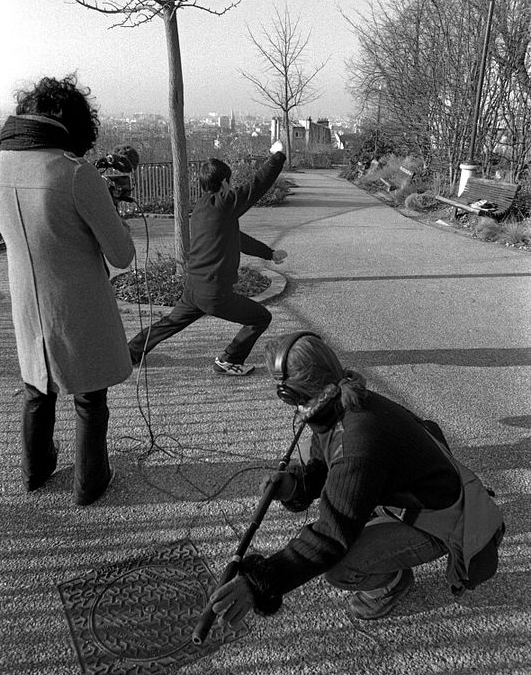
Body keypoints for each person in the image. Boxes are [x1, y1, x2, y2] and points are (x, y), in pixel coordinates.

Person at [209, 331, 505, 628]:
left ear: (290, 395)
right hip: (419, 491)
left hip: (441, 519)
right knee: (340, 500)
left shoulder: (356, 444)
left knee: (340, 567)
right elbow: (324, 465)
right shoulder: (340, 397)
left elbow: (331, 536)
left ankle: (391, 584)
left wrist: (260, 581)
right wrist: (294, 486)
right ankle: (388, 549)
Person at [0, 74, 135, 505]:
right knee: (90, 398)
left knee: (38, 390)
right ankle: (91, 483)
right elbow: (121, 254)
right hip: (78, 306)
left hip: (28, 304)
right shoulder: (75, 174)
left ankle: (35, 472)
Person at [128, 141, 288, 375]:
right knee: (260, 317)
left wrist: (269, 253)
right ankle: (229, 360)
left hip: (195, 288)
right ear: (224, 182)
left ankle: (131, 351)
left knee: (170, 323)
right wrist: (277, 156)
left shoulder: (203, 207)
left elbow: (237, 238)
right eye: (230, 181)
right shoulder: (224, 204)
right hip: (214, 293)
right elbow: (257, 186)